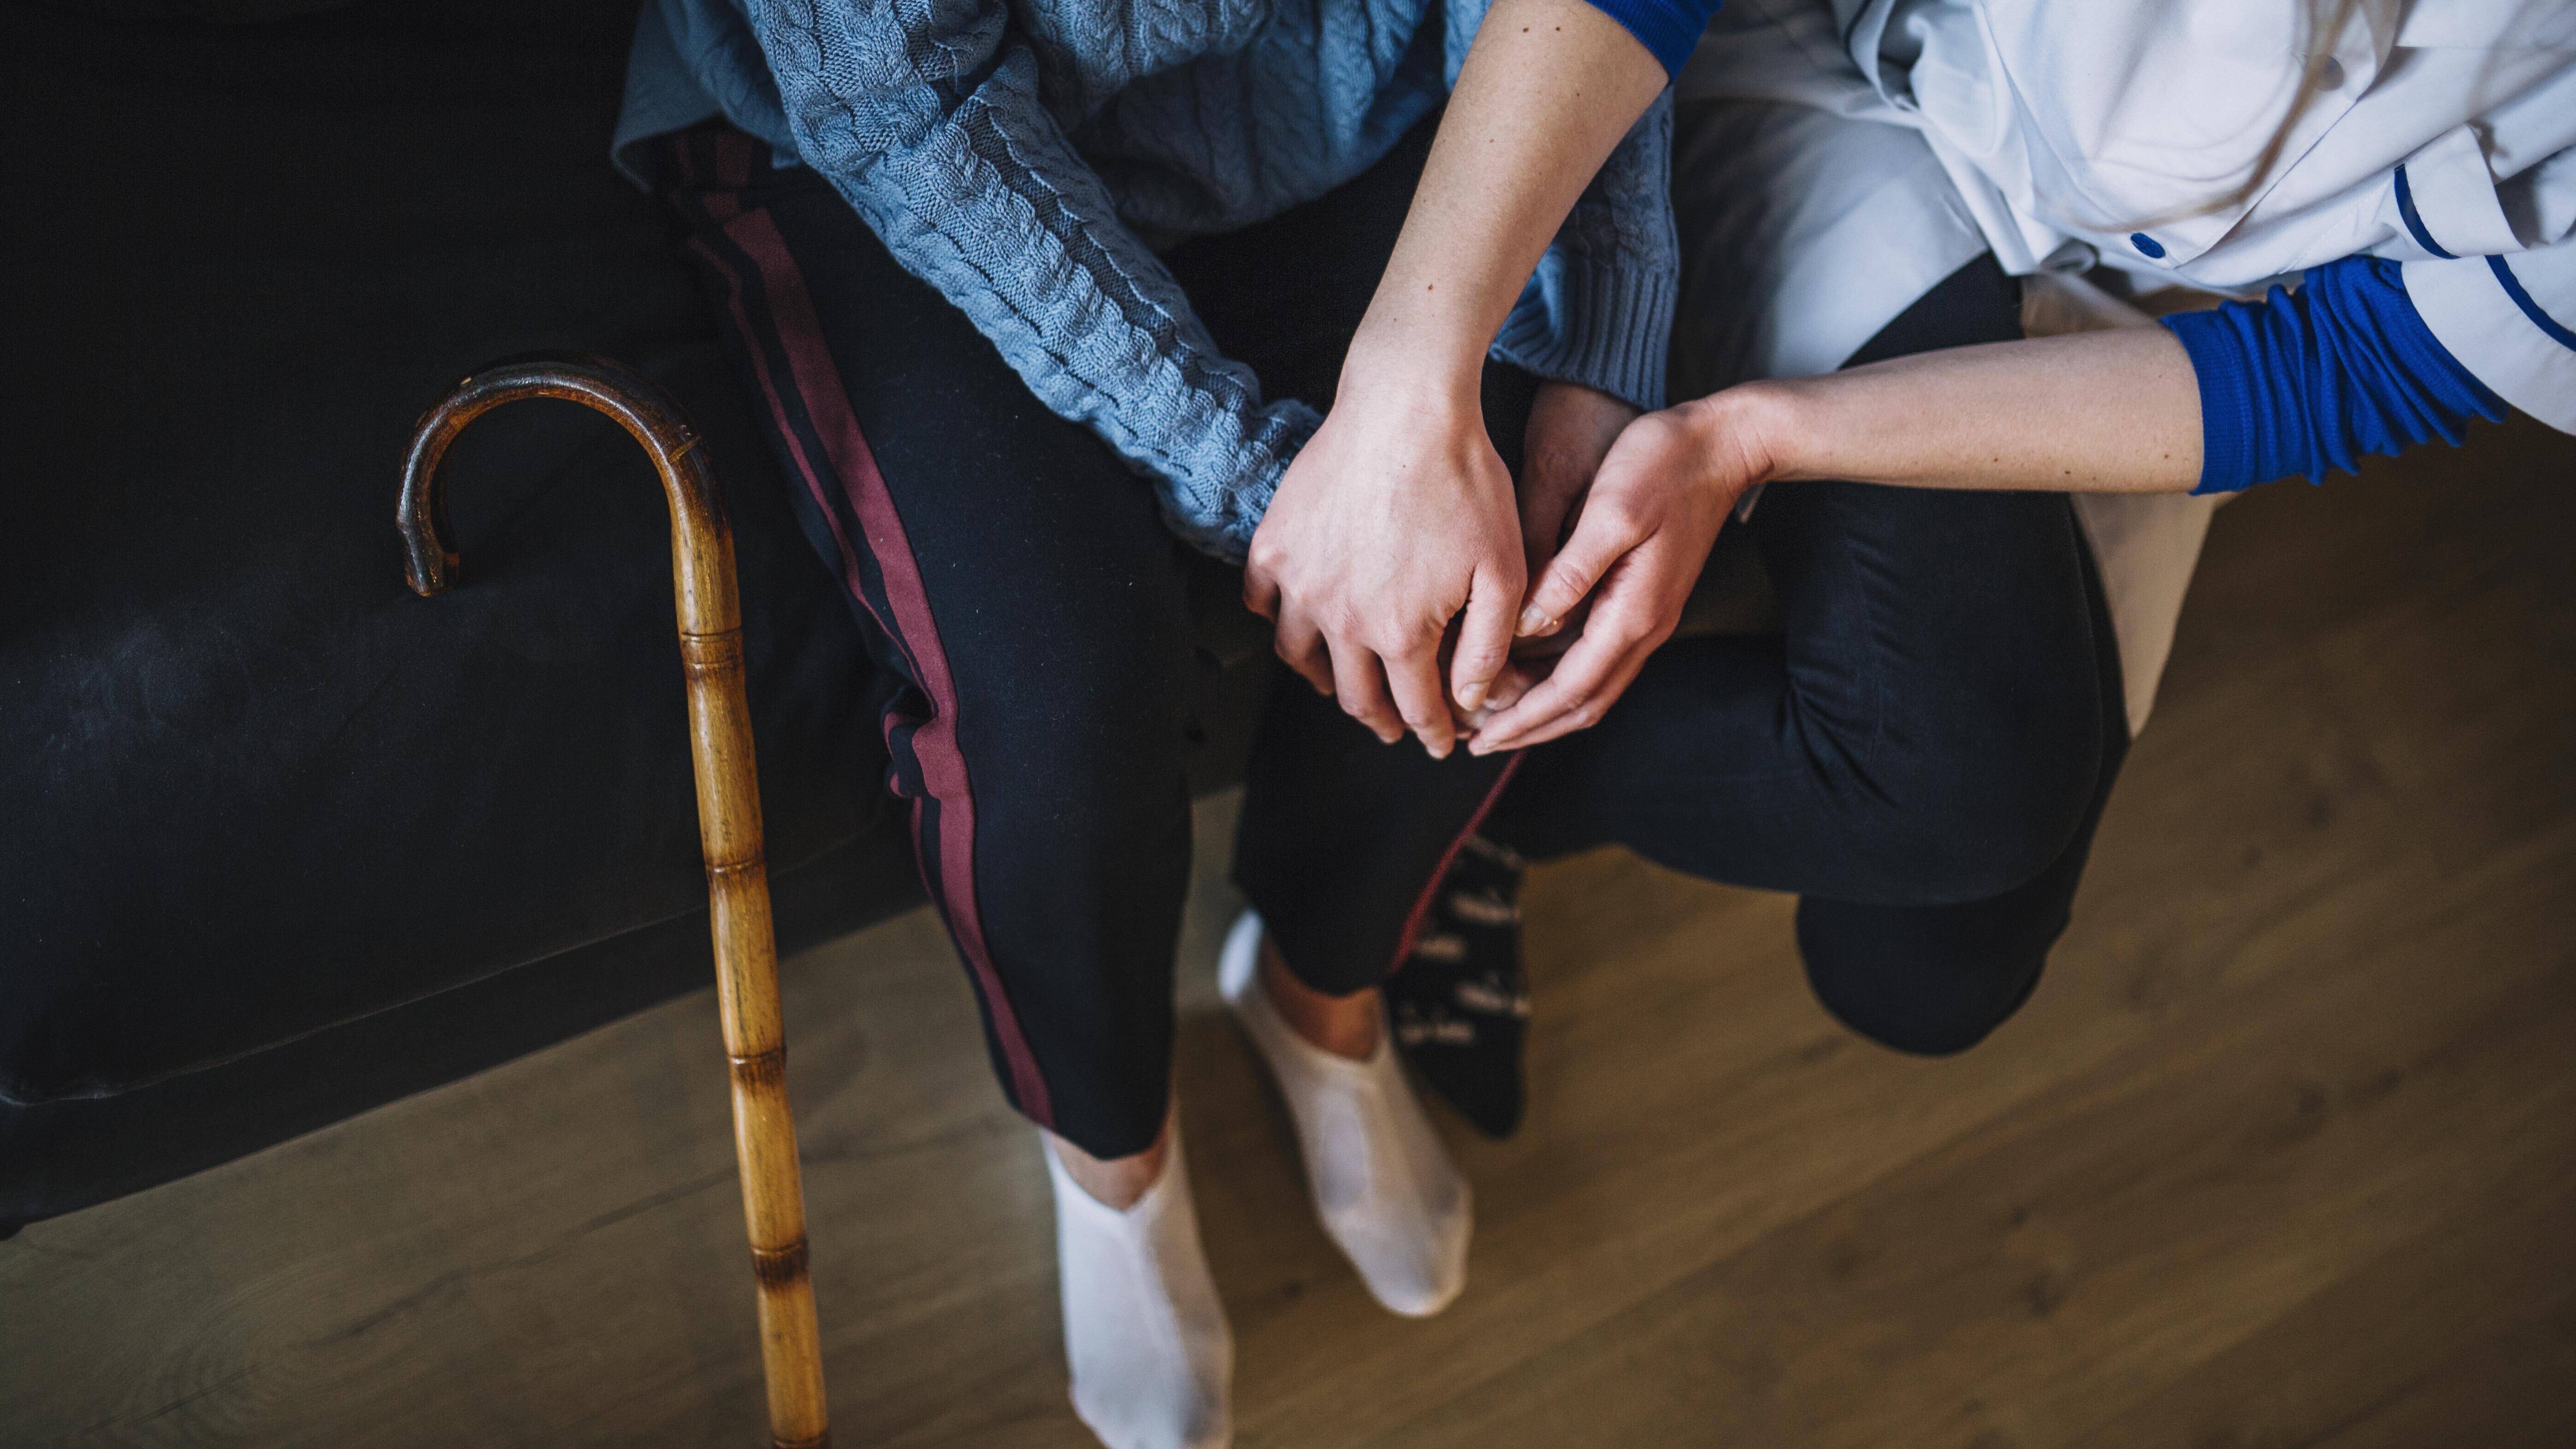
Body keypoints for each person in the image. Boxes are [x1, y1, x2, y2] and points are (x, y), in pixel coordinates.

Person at [611, 0, 1710, 1443]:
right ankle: (1109, 1150)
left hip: (1358, 86)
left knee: (1507, 572)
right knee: (1062, 706)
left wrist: (1594, 340)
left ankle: (1321, 994)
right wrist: (1276, 499)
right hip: (873, 146)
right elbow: (901, 105)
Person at [1344, 0, 2576, 1134]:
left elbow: (2340, 371)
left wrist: (1752, 438)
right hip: (1841, 84)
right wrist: (1410, 378)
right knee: (1959, 791)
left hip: (2158, 312)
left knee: (1928, 980)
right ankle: (1422, 814)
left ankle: (1470, 794)